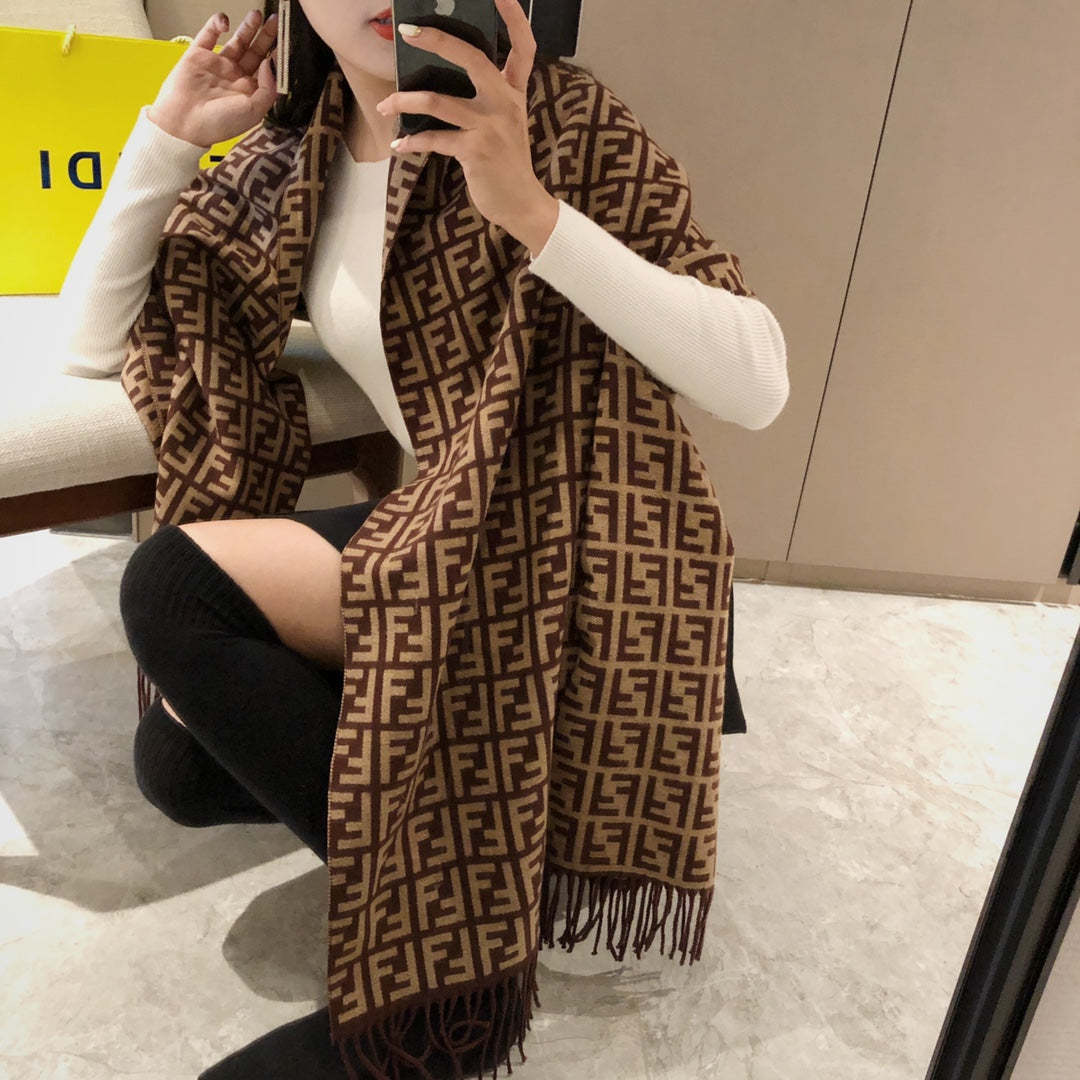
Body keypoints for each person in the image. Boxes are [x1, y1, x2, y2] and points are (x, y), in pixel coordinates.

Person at [57, 3, 788, 1075]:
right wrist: (169, 137)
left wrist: (532, 211)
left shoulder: (555, 119)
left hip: (577, 542)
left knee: (175, 589)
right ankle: (494, 847)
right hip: (445, 532)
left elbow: (758, 380)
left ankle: (457, 979)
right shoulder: (290, 162)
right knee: (177, 766)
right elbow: (90, 342)